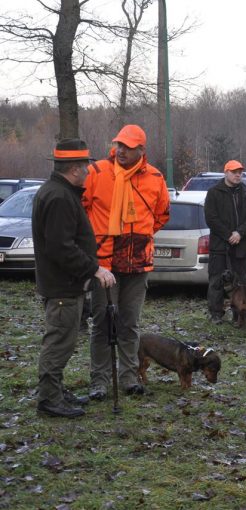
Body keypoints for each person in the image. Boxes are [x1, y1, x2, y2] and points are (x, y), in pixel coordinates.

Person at [82, 124, 170, 399]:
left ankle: (130, 377)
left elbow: (162, 214)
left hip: (137, 263)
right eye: (119, 144)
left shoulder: (155, 177)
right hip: (104, 262)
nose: (121, 150)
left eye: (128, 147)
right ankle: (99, 381)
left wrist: (141, 237)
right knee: (103, 323)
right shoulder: (97, 172)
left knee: (129, 323)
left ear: (141, 150)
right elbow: (82, 209)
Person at [32, 139, 116, 418]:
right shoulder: (59, 197)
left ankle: (55, 392)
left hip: (64, 285)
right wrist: (94, 268)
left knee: (63, 342)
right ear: (76, 169)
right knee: (59, 343)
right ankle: (49, 400)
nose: (90, 172)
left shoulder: (60, 192)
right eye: (87, 167)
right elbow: (60, 247)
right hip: (62, 287)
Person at [204, 160, 246, 324]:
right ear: (225, 172)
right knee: (216, 280)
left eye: (240, 172)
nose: (237, 174)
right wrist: (228, 235)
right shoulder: (214, 192)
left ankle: (242, 314)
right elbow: (211, 218)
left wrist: (240, 233)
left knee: (241, 280)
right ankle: (216, 314)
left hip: (241, 245)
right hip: (219, 246)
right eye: (234, 172)